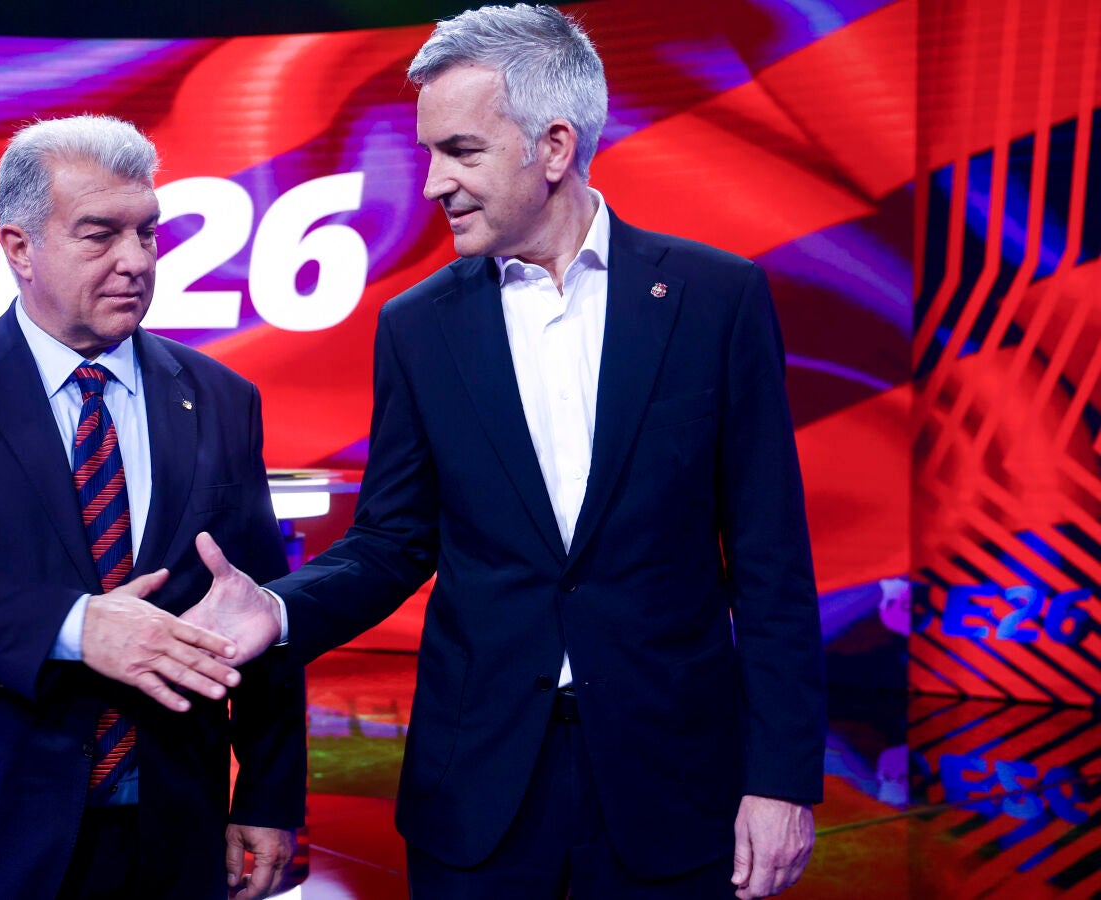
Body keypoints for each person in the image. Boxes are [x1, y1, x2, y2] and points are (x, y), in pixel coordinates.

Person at [184, 6, 825, 899]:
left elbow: (770, 561)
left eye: (462, 151)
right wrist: (281, 610)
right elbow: (393, 541)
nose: (434, 183)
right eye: (430, 154)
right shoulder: (419, 326)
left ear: (554, 146)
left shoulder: (716, 299)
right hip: (477, 792)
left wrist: (783, 779)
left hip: (673, 784)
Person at [0, 115, 305, 900]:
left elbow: (260, 605)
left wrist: (267, 795)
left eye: (148, 233)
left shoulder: (222, 398)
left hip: (176, 831)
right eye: (101, 235)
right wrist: (77, 626)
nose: (137, 261)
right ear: (20, 248)